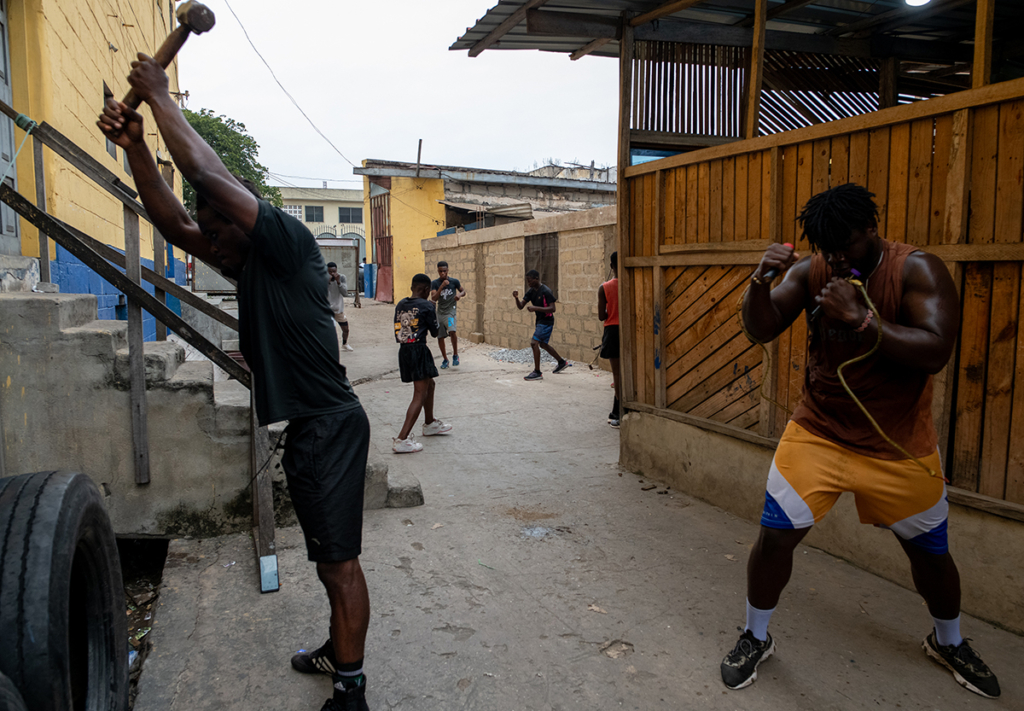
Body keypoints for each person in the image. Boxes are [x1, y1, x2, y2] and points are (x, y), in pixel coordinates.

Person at [98, 55, 373, 711]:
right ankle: (339, 650)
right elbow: (174, 222)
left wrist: (160, 98)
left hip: (330, 425)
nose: (210, 243)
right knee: (325, 560)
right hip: (308, 429)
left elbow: (203, 173)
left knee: (339, 565)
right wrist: (136, 147)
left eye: (220, 228)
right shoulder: (247, 262)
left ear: (245, 219)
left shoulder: (284, 241)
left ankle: (352, 687)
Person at [722, 183, 999, 698]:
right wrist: (760, 281)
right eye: (827, 249)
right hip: (819, 431)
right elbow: (761, 328)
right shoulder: (814, 270)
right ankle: (755, 636)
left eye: (845, 246)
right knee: (775, 537)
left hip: (898, 443)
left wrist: (863, 319)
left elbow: (936, 350)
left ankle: (948, 641)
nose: (836, 258)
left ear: (872, 229)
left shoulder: (918, 270)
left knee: (931, 556)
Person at [393, 274, 453, 453]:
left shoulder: (401, 304)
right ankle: (401, 439)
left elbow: (399, 329)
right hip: (418, 349)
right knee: (419, 394)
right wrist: (434, 313)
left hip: (404, 349)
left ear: (412, 287)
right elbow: (435, 333)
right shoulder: (427, 305)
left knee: (430, 383)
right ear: (427, 290)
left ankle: (429, 423)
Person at [513, 270, 570, 381]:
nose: (528, 283)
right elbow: (521, 306)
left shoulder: (546, 291)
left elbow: (553, 308)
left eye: (530, 280)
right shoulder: (531, 292)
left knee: (534, 343)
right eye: (527, 281)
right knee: (543, 344)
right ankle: (562, 362)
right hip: (540, 321)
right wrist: (516, 298)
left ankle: (537, 372)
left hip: (546, 321)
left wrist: (535, 308)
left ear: (536, 279)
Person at [597, 252, 620, 428]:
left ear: (611, 266)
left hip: (612, 331)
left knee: (617, 375)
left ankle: (618, 412)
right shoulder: (633, 283)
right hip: (632, 330)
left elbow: (601, 316)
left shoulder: (604, 287)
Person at [429, 261, 466, 369]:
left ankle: (455, 355)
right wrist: (442, 286)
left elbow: (463, 291)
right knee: (440, 337)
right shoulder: (435, 283)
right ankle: (445, 359)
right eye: (440, 271)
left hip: (450, 312)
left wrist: (459, 295)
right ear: (438, 271)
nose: (443, 273)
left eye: (444, 271)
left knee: (452, 331)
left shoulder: (454, 281)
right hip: (440, 314)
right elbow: (434, 298)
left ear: (448, 270)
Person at [327, 262, 353, 352]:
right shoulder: (323, 278)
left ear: (336, 270)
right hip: (327, 310)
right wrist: (327, 282)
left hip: (338, 309)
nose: (332, 274)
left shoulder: (341, 277)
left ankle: (345, 344)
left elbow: (345, 293)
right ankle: (330, 346)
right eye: (329, 271)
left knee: (346, 329)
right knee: (331, 330)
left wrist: (338, 282)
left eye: (333, 271)